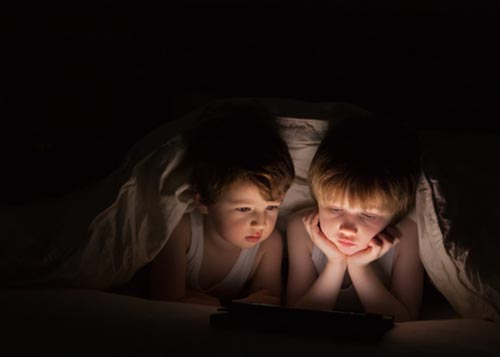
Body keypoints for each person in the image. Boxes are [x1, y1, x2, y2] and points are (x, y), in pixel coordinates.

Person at [149, 100, 295, 306]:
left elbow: (266, 303)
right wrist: (233, 305)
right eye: (244, 208)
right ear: (203, 202)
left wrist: (193, 298)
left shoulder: (269, 244)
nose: (261, 223)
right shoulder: (182, 231)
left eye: (271, 207)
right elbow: (166, 299)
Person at [286, 115, 423, 322]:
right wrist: (335, 263)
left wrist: (360, 268)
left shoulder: (408, 234)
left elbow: (405, 323)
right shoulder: (300, 228)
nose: (347, 228)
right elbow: (296, 319)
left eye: (368, 215)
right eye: (334, 209)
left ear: (394, 214)